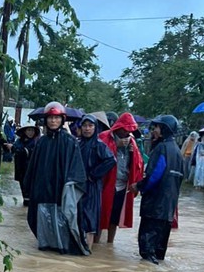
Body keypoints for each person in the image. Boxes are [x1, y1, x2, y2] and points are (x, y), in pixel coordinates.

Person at [22, 101, 89, 255]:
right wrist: (29, 186)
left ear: (62, 120)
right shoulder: (41, 142)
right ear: (46, 120)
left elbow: (76, 168)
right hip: (42, 189)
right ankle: (46, 244)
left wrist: (69, 184)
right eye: (50, 118)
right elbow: (33, 167)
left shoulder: (70, 142)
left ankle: (62, 246)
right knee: (42, 215)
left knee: (62, 216)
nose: (53, 121)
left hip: (61, 188)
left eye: (57, 118)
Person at [131, 114, 184, 264]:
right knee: (159, 254)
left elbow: (154, 176)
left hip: (154, 206)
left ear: (164, 130)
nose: (153, 130)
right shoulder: (177, 152)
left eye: (156, 127)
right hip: (168, 208)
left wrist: (138, 186)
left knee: (147, 252)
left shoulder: (161, 148)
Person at [98, 112, 145, 244]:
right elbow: (98, 157)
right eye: (125, 130)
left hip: (122, 186)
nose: (127, 133)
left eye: (130, 131)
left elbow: (138, 165)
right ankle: (95, 243)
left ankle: (109, 244)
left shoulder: (132, 142)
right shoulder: (104, 137)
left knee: (115, 217)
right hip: (105, 184)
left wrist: (131, 151)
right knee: (101, 215)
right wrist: (116, 146)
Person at [76, 114, 116, 248]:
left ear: (95, 128)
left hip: (92, 186)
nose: (87, 129)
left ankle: (87, 249)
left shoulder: (99, 145)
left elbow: (111, 160)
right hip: (78, 185)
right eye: (84, 126)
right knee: (77, 216)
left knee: (89, 218)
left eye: (90, 126)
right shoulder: (78, 144)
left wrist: (93, 175)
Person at [13, 124, 40, 205]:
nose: (31, 132)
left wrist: (17, 149)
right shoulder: (19, 141)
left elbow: (28, 152)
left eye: (32, 130)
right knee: (23, 185)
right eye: (29, 130)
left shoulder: (36, 142)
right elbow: (14, 149)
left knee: (29, 187)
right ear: (24, 131)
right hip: (20, 168)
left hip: (31, 169)